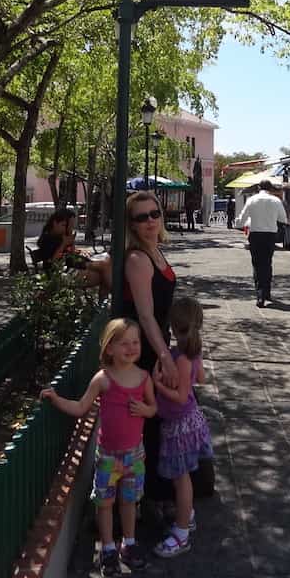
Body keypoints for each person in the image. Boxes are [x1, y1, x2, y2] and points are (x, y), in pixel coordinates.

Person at [41, 317, 157, 578]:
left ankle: (129, 543)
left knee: (129, 502)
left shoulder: (143, 378)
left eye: (135, 342)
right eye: (124, 343)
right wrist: (57, 400)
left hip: (135, 454)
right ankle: (107, 548)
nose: (131, 348)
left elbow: (153, 408)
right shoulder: (103, 379)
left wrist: (144, 409)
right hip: (107, 456)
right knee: (104, 504)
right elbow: (81, 407)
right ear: (110, 348)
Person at [121, 191, 179, 509]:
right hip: (143, 352)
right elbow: (145, 315)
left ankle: (154, 495)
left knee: (158, 423)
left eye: (154, 214)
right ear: (131, 224)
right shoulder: (137, 259)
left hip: (159, 344)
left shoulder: (156, 251)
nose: (150, 222)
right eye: (141, 217)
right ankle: (149, 500)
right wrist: (166, 358)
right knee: (150, 425)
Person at [151, 296, 214, 557]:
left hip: (180, 424)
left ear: (173, 327)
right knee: (183, 477)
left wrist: (158, 384)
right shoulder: (193, 352)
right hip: (188, 421)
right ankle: (187, 514)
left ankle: (181, 532)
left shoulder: (180, 358)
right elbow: (202, 378)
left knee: (182, 479)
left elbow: (180, 395)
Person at [33, 207, 111, 291]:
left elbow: (71, 255)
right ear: (55, 223)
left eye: (70, 226)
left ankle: (104, 302)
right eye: (64, 225)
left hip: (70, 268)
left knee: (106, 267)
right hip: (57, 274)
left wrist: (71, 240)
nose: (65, 229)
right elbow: (53, 262)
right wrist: (64, 244)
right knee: (103, 274)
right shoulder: (47, 238)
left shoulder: (60, 236)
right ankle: (107, 301)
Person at [236, 180, 288, 307]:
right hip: (270, 235)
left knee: (257, 264)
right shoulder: (276, 201)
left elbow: (241, 221)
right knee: (267, 263)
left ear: (259, 188)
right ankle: (267, 292)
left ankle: (260, 295)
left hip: (255, 235)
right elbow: (283, 219)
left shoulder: (252, 200)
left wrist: (240, 222)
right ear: (270, 188)